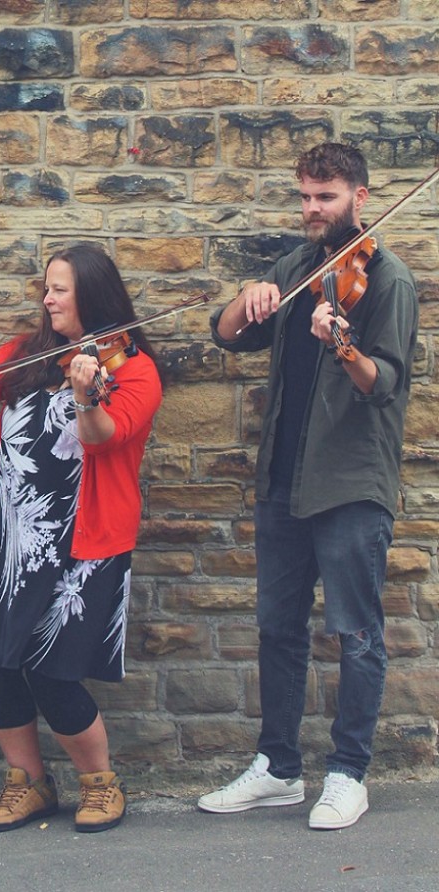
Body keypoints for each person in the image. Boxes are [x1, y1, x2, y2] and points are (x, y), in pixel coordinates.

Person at [200, 143, 418, 829]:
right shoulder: (295, 269)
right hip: (284, 479)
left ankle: (349, 772)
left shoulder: (388, 281)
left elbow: (385, 385)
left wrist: (341, 345)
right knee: (278, 629)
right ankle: (278, 769)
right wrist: (247, 298)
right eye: (304, 196)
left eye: (325, 197)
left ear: (359, 196)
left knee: (356, 632)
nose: (311, 209)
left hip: (351, 483)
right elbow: (227, 335)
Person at [0, 243, 163, 834]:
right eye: (47, 287)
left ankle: (100, 784)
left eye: (59, 289)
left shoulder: (135, 369)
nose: (47, 298)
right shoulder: (26, 353)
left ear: (90, 293)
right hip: (9, 535)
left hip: (84, 544)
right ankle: (28, 782)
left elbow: (102, 437)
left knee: (54, 670)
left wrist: (87, 393)